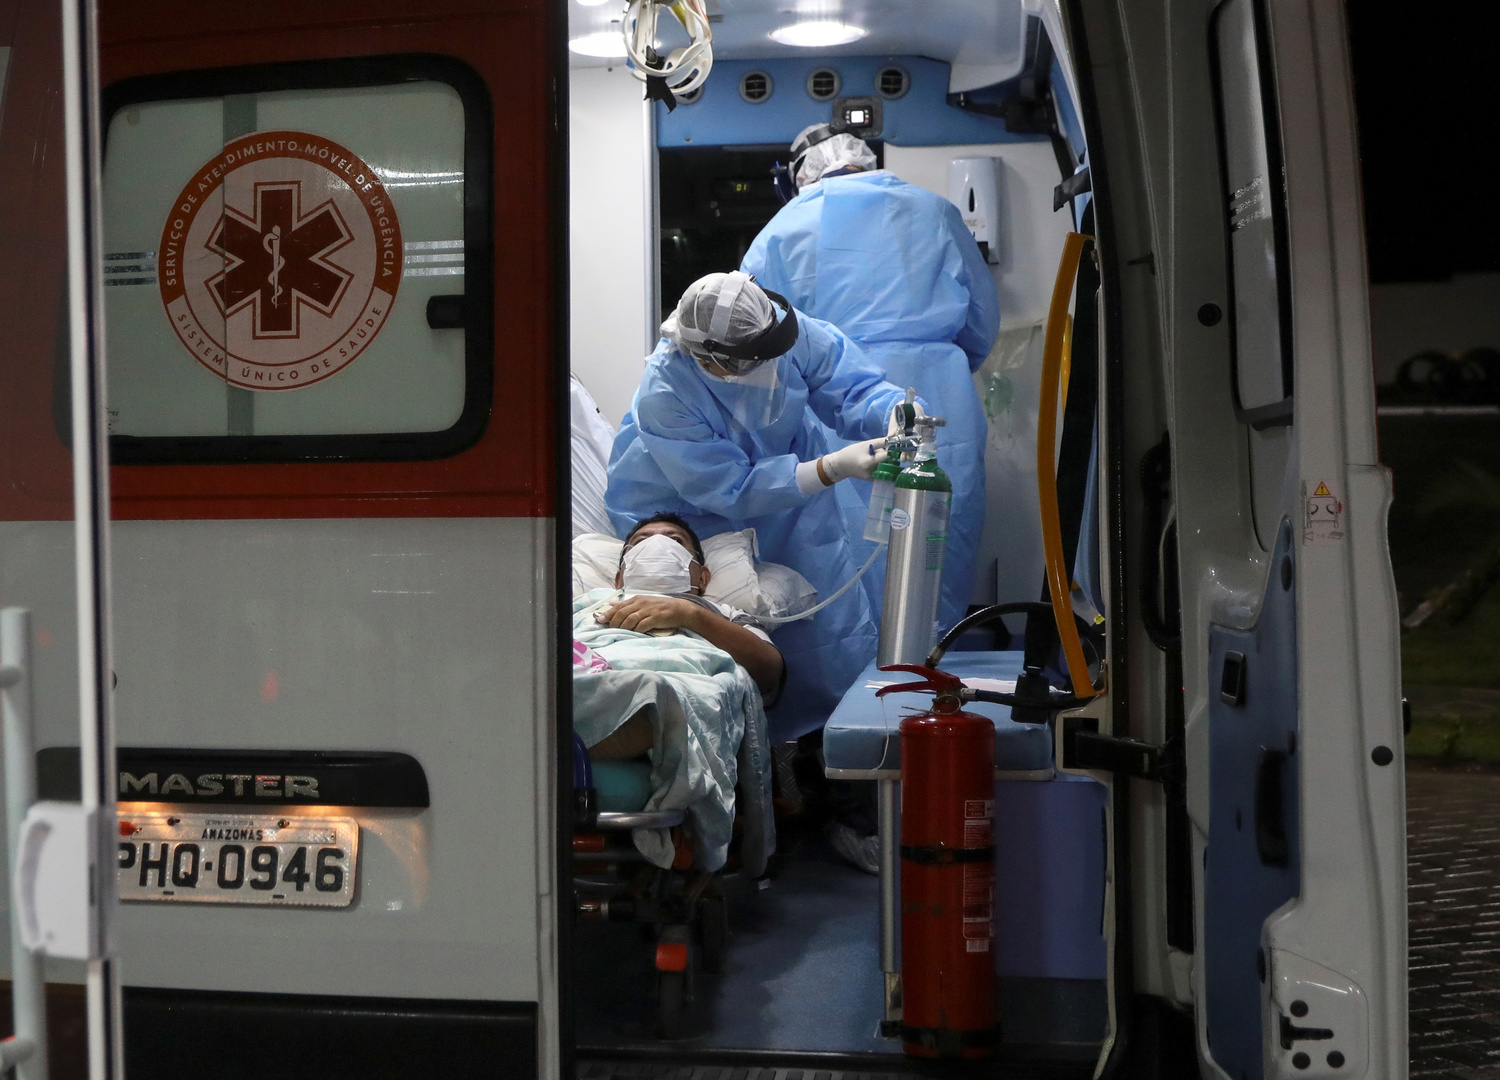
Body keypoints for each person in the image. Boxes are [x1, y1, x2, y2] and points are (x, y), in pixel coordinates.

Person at [606, 271, 912, 743]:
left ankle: (839, 742)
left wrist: (894, 412)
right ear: (709, 358)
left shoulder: (778, 328)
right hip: (692, 508)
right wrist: (830, 467)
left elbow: (851, 386)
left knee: (826, 620)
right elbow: (730, 486)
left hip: (792, 488)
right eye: (755, 360)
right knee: (723, 628)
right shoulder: (666, 395)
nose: (772, 367)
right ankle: (758, 746)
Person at [742, 124, 1001, 635]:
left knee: (844, 546)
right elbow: (980, 320)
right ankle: (932, 659)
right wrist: (938, 363)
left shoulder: (779, 231)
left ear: (800, 175)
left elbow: (756, 345)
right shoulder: (935, 211)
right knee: (939, 537)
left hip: (829, 404)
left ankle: (858, 669)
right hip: (937, 392)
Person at [573, 512, 782, 872]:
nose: (657, 544)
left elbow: (769, 671)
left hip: (662, 687)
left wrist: (688, 615)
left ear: (702, 577)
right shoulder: (587, 605)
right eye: (640, 542)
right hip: (590, 680)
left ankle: (564, 740)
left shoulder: (722, 614)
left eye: (674, 540)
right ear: (620, 576)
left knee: (657, 693)